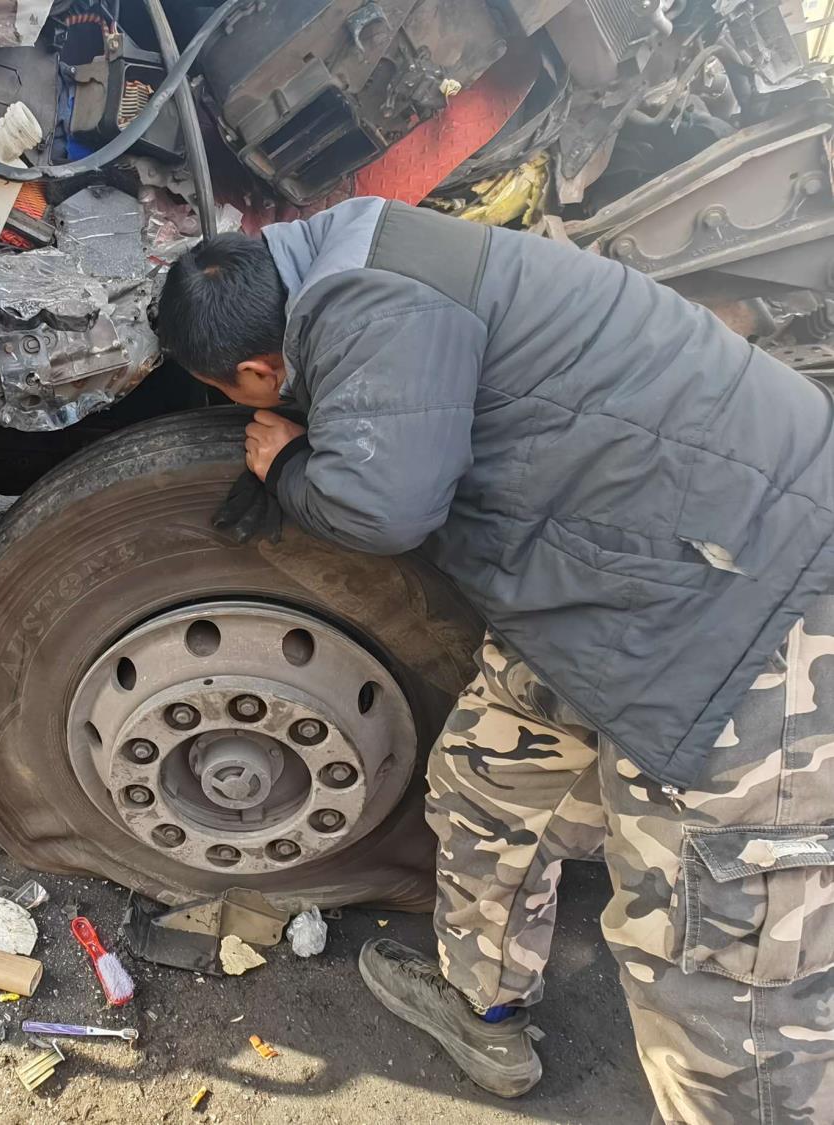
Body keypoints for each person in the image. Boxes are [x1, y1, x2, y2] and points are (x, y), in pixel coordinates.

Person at [155, 197, 834, 1122]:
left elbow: (385, 506)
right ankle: (486, 1011)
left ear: (255, 370)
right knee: (485, 786)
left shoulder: (370, 305)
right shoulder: (349, 251)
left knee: (714, 974)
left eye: (235, 393)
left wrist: (289, 467)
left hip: (758, 605)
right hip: (610, 581)